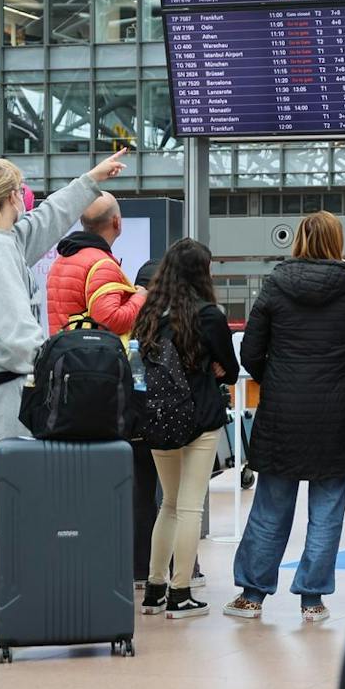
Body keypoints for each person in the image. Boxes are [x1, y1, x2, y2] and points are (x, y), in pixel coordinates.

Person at [0, 151, 129, 637]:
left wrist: (90, 180)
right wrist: (52, 361)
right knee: (16, 500)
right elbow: (14, 328)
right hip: (1, 393)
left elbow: (47, 221)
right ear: (11, 196)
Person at [226, 211, 345, 622]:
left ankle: (252, 595)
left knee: (271, 504)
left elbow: (250, 354)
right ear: (337, 241)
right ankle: (312, 599)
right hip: (339, 412)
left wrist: (277, 378)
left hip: (284, 412)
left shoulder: (275, 286)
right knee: (327, 507)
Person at [135, 239, 234, 619]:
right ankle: (180, 593)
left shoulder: (150, 313)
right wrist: (212, 367)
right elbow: (230, 367)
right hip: (198, 419)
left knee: (169, 505)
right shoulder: (208, 315)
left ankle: (154, 589)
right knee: (191, 506)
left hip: (157, 420)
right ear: (200, 272)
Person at [46, 192, 147, 336]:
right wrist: (140, 298)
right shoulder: (102, 265)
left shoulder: (62, 259)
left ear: (82, 222)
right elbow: (110, 322)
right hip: (90, 357)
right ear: (116, 222)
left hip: (62, 354)